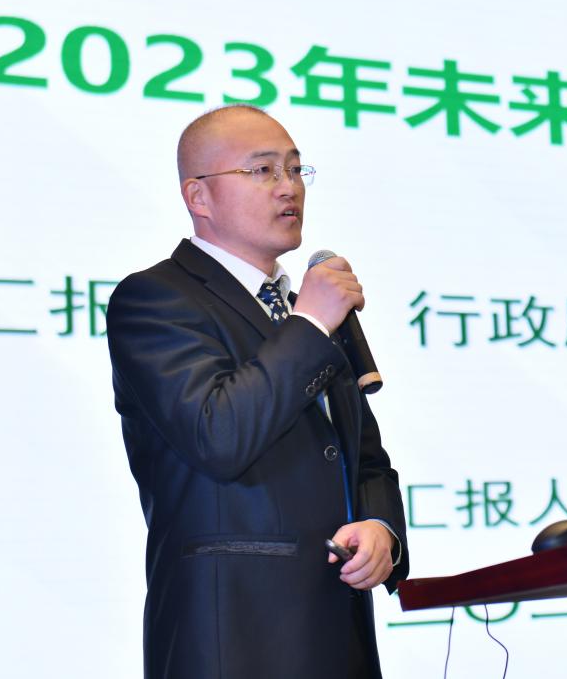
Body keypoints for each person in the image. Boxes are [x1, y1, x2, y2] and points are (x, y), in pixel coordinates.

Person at [107, 104, 408, 679]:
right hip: (231, 636)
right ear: (199, 196)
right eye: (263, 170)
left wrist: (380, 529)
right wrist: (311, 325)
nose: (288, 187)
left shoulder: (305, 312)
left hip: (338, 632)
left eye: (295, 169)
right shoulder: (155, 299)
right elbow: (219, 435)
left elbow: (363, 458)